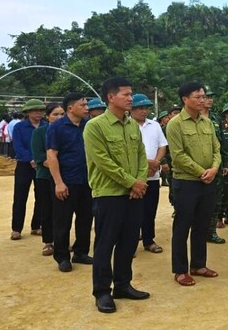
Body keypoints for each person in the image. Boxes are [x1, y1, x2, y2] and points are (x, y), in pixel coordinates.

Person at [84, 78, 150, 313]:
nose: (131, 98)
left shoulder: (132, 125)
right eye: (126, 94)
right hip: (109, 193)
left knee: (129, 241)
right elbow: (103, 162)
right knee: (105, 243)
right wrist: (133, 182)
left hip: (134, 193)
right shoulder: (95, 126)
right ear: (111, 97)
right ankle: (102, 291)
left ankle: (123, 284)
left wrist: (139, 182)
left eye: (131, 94)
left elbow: (142, 155)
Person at [166, 82, 221, 285]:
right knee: (182, 226)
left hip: (208, 182)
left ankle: (198, 265)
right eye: (197, 97)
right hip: (186, 183)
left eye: (203, 96)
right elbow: (178, 156)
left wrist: (214, 169)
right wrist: (201, 172)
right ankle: (180, 270)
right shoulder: (175, 124)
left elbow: (217, 149)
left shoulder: (207, 123)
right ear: (185, 99)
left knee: (202, 224)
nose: (202, 100)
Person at [46, 93, 93, 272]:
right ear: (71, 108)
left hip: (87, 180)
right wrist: (58, 182)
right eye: (83, 105)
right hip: (65, 181)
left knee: (85, 218)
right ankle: (62, 256)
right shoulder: (57, 127)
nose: (87, 108)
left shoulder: (88, 125)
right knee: (62, 220)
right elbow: (52, 155)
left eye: (86, 104)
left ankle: (80, 252)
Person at [130, 93, 167, 254]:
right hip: (134, 177)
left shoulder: (154, 125)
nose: (143, 111)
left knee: (150, 210)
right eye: (140, 108)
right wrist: (147, 163)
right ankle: (129, 244)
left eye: (145, 108)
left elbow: (162, 145)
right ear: (131, 109)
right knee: (132, 212)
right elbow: (129, 151)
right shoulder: (127, 125)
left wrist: (156, 162)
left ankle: (148, 240)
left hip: (153, 175)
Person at [10, 99, 47, 240]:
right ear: (27, 112)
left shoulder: (46, 126)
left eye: (41, 110)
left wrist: (40, 160)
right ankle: (16, 229)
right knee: (20, 197)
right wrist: (31, 159)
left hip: (42, 165)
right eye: (35, 110)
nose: (38, 112)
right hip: (24, 165)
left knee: (42, 197)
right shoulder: (20, 127)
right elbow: (18, 146)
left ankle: (36, 226)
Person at [31, 103, 64, 256]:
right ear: (47, 117)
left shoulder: (68, 130)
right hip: (45, 177)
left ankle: (62, 242)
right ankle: (48, 242)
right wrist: (56, 165)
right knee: (47, 209)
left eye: (61, 114)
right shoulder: (40, 133)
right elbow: (40, 157)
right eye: (55, 114)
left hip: (65, 177)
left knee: (63, 212)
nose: (59, 117)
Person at [201, 87, 227, 244]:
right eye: (206, 96)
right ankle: (200, 230)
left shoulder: (216, 119)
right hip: (198, 167)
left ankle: (211, 232)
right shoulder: (193, 118)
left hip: (216, 166)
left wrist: (224, 163)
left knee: (215, 200)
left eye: (211, 97)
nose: (210, 99)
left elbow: (221, 144)